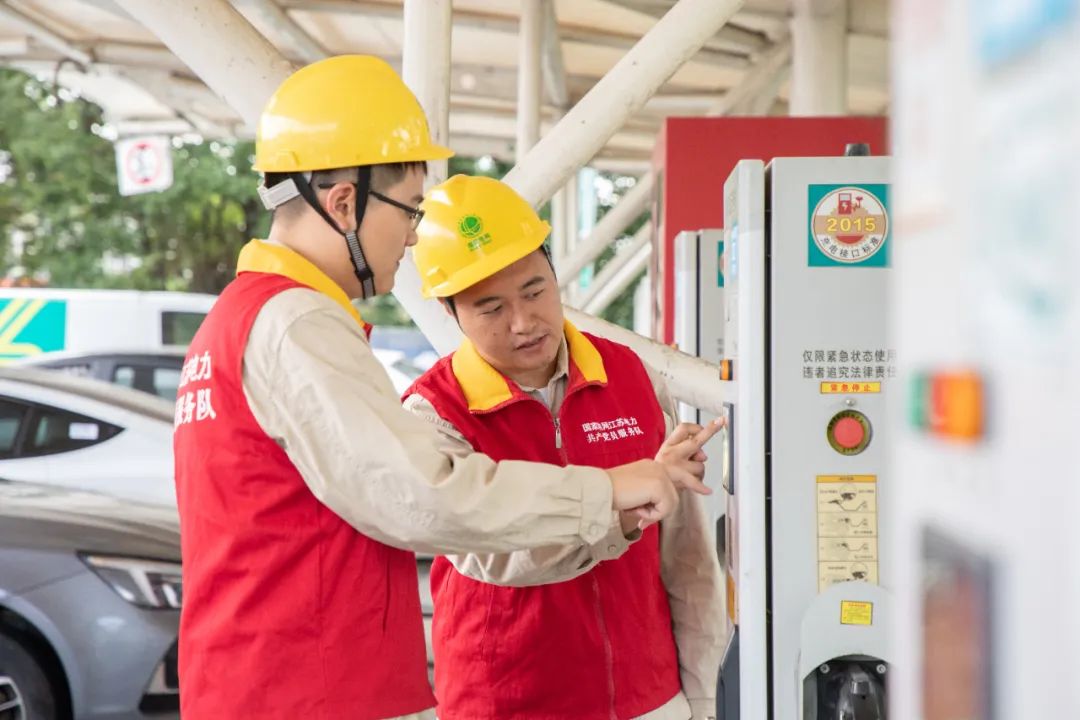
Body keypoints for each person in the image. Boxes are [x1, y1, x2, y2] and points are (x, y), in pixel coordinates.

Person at [172, 55, 704, 720]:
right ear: (344, 204)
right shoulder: (297, 322)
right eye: (409, 210)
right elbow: (419, 495)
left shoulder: (241, 319)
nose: (412, 237)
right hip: (314, 692)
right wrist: (607, 491)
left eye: (534, 290)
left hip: (277, 685)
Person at [404, 175, 728, 719]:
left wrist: (704, 698)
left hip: (647, 698)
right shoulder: (435, 413)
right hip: (507, 701)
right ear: (448, 310)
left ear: (555, 276)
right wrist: (620, 511)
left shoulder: (631, 376)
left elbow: (688, 560)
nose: (524, 323)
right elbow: (493, 555)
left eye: (535, 291)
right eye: (491, 308)